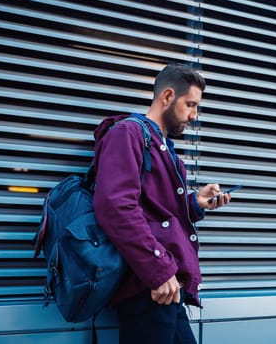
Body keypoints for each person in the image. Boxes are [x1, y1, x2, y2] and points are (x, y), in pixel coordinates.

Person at [93, 62, 231, 344]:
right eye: (191, 104)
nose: (194, 115)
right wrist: (158, 272)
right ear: (167, 96)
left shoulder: (169, 154)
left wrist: (195, 203)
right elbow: (116, 207)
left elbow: (158, 213)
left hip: (168, 287)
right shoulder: (127, 134)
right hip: (149, 288)